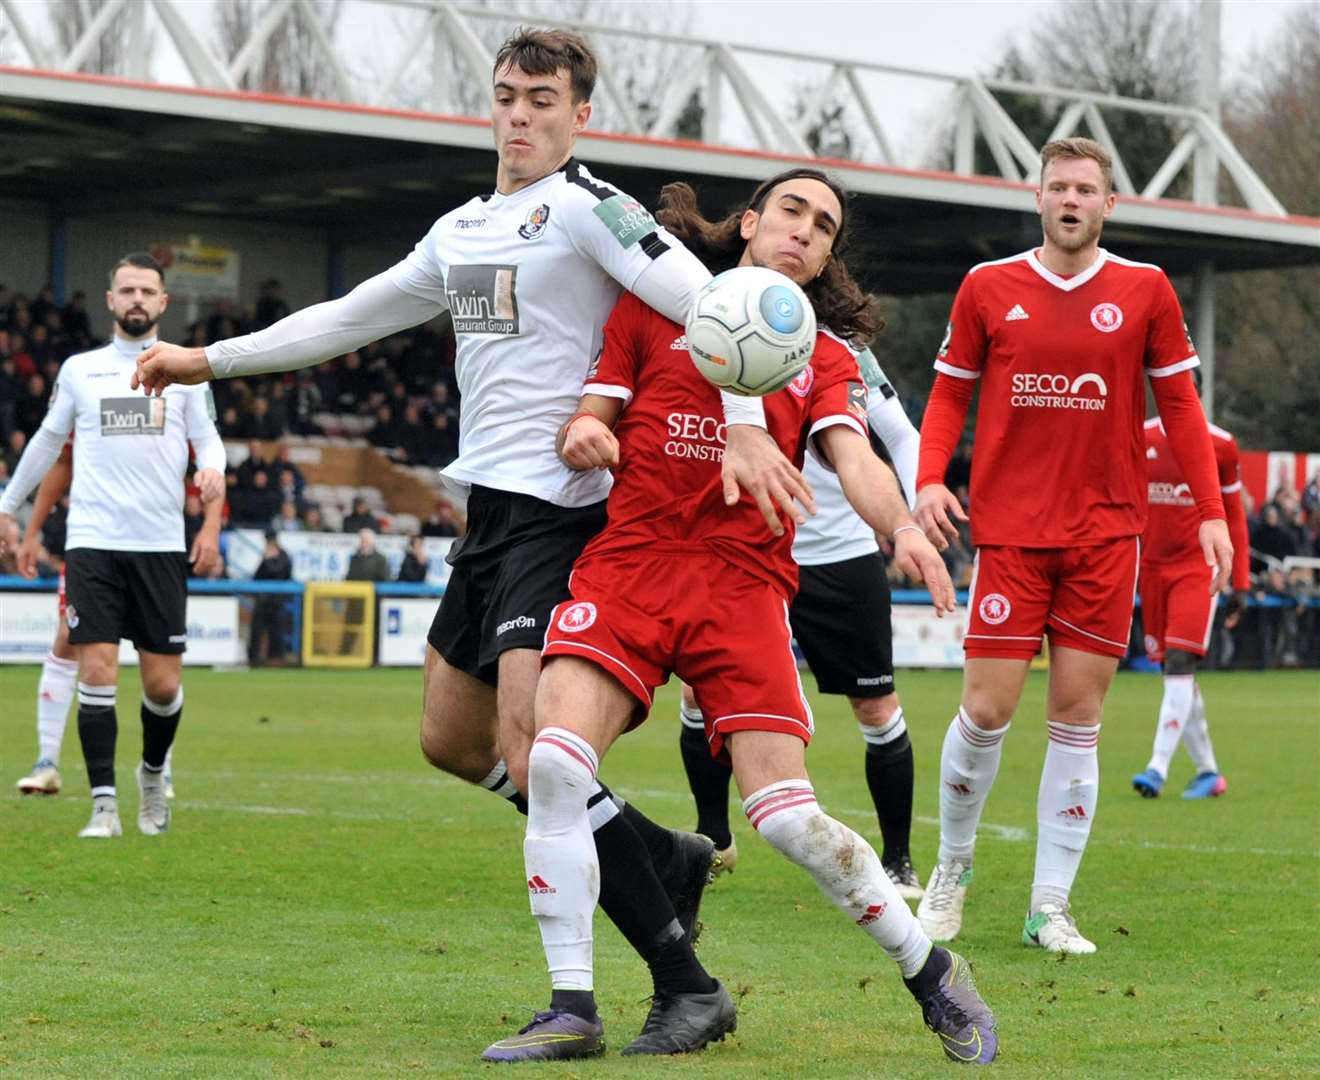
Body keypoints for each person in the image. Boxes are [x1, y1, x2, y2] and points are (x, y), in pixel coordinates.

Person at [128, 28, 811, 1052]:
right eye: (507, 95)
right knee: (451, 740)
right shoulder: (460, 230)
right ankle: (654, 853)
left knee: (538, 753)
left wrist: (749, 428)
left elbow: (716, 307)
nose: (522, 113)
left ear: (580, 114)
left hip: (569, 510)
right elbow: (347, 317)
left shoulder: (593, 210)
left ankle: (653, 989)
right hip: (488, 513)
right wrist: (207, 360)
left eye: (543, 97)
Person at [489, 169, 997, 1066]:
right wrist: (586, 436)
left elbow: (857, 458)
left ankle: (932, 972)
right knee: (556, 762)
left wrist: (904, 529)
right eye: (792, 210)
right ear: (753, 222)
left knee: (788, 819)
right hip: (633, 565)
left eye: (826, 226)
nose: (806, 230)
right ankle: (573, 1006)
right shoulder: (653, 309)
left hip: (742, 588)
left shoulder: (825, 357)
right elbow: (590, 416)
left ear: (828, 256)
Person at [912, 137, 1232, 955]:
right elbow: (949, 394)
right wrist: (929, 479)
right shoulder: (989, 287)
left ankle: (1048, 907)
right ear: (1040, 198)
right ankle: (950, 871)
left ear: (1107, 204)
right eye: (1058, 187)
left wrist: (1210, 511)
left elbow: (1184, 408)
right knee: (985, 713)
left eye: (1086, 189)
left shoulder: (1145, 289)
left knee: (1078, 719)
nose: (1071, 200)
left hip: (1105, 535)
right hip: (1012, 534)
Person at [674, 344, 926, 897]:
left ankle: (899, 860)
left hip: (840, 553)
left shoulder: (848, 351)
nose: (797, 252)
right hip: (747, 550)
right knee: (699, 693)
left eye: (814, 248)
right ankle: (712, 839)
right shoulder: (716, 319)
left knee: (877, 705)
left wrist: (915, 509)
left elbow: (902, 435)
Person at [0, 252, 226, 838]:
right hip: (93, 543)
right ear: (109, 299)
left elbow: (210, 443)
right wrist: (6, 504)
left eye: (147, 291)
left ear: (163, 302)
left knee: (163, 685)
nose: (136, 299)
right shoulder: (81, 370)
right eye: (126, 289)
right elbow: (49, 444)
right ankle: (104, 803)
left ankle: (152, 774)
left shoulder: (182, 371)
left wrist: (213, 476)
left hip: (158, 546)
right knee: (97, 672)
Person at [1132, 416, 1250, 799]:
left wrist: (1242, 582)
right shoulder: (1140, 435)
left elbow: (1233, 514)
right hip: (1151, 570)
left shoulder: (1220, 444)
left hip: (1198, 568)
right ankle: (1209, 772)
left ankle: (1157, 767)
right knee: (1173, 671)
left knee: (1182, 662)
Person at [250, 528, 293, 666]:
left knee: (277, 631)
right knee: (257, 630)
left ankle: (277, 659)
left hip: (277, 600)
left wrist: (269, 559)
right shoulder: (266, 555)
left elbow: (279, 572)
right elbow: (256, 576)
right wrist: (266, 559)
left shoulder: (283, 555)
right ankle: (254, 658)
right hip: (263, 599)